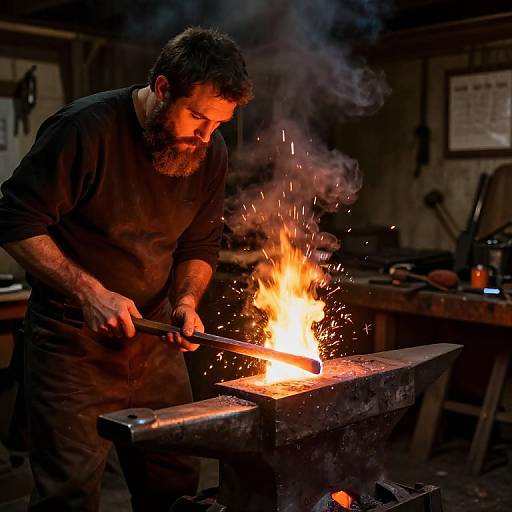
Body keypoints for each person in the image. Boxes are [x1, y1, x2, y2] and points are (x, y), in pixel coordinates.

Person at [0, 26, 252, 511]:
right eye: (197, 116)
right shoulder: (84, 130)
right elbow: (14, 220)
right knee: (67, 493)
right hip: (70, 346)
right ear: (162, 89)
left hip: (156, 342)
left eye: (218, 123)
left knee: (175, 485)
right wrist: (90, 293)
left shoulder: (209, 152)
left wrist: (185, 301)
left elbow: (200, 244)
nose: (204, 136)